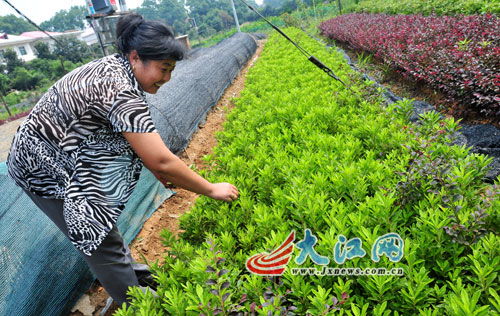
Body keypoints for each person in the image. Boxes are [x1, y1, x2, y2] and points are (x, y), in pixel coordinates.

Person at [6, 13, 238, 306]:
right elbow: (162, 161)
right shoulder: (119, 89)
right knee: (98, 235)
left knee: (103, 226)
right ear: (135, 56)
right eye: (163, 69)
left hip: (67, 153)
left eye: (171, 70)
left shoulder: (117, 68)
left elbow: (140, 144)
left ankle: (132, 276)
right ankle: (137, 305)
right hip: (44, 166)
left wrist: (152, 163)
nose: (167, 79)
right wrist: (211, 188)